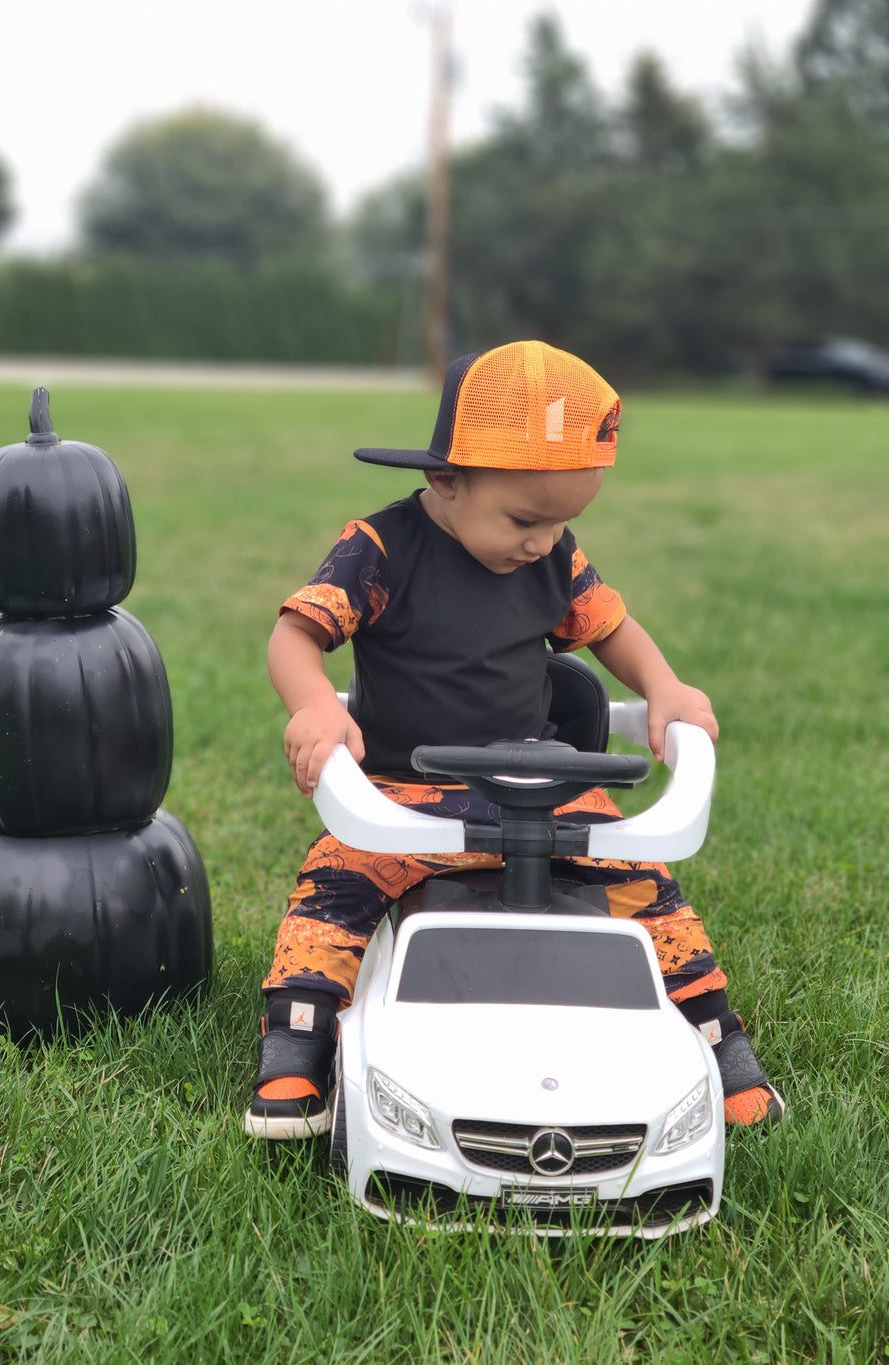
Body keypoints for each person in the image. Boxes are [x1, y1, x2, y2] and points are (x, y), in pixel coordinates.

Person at [244, 339, 783, 1140]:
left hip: (537, 784)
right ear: (446, 480)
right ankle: (298, 1043)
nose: (544, 540)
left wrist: (664, 687)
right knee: (332, 890)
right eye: (526, 519)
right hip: (405, 791)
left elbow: (613, 627)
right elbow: (293, 636)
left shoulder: (554, 557)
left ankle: (715, 1034)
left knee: (647, 885)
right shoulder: (382, 548)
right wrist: (316, 705)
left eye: (564, 520)